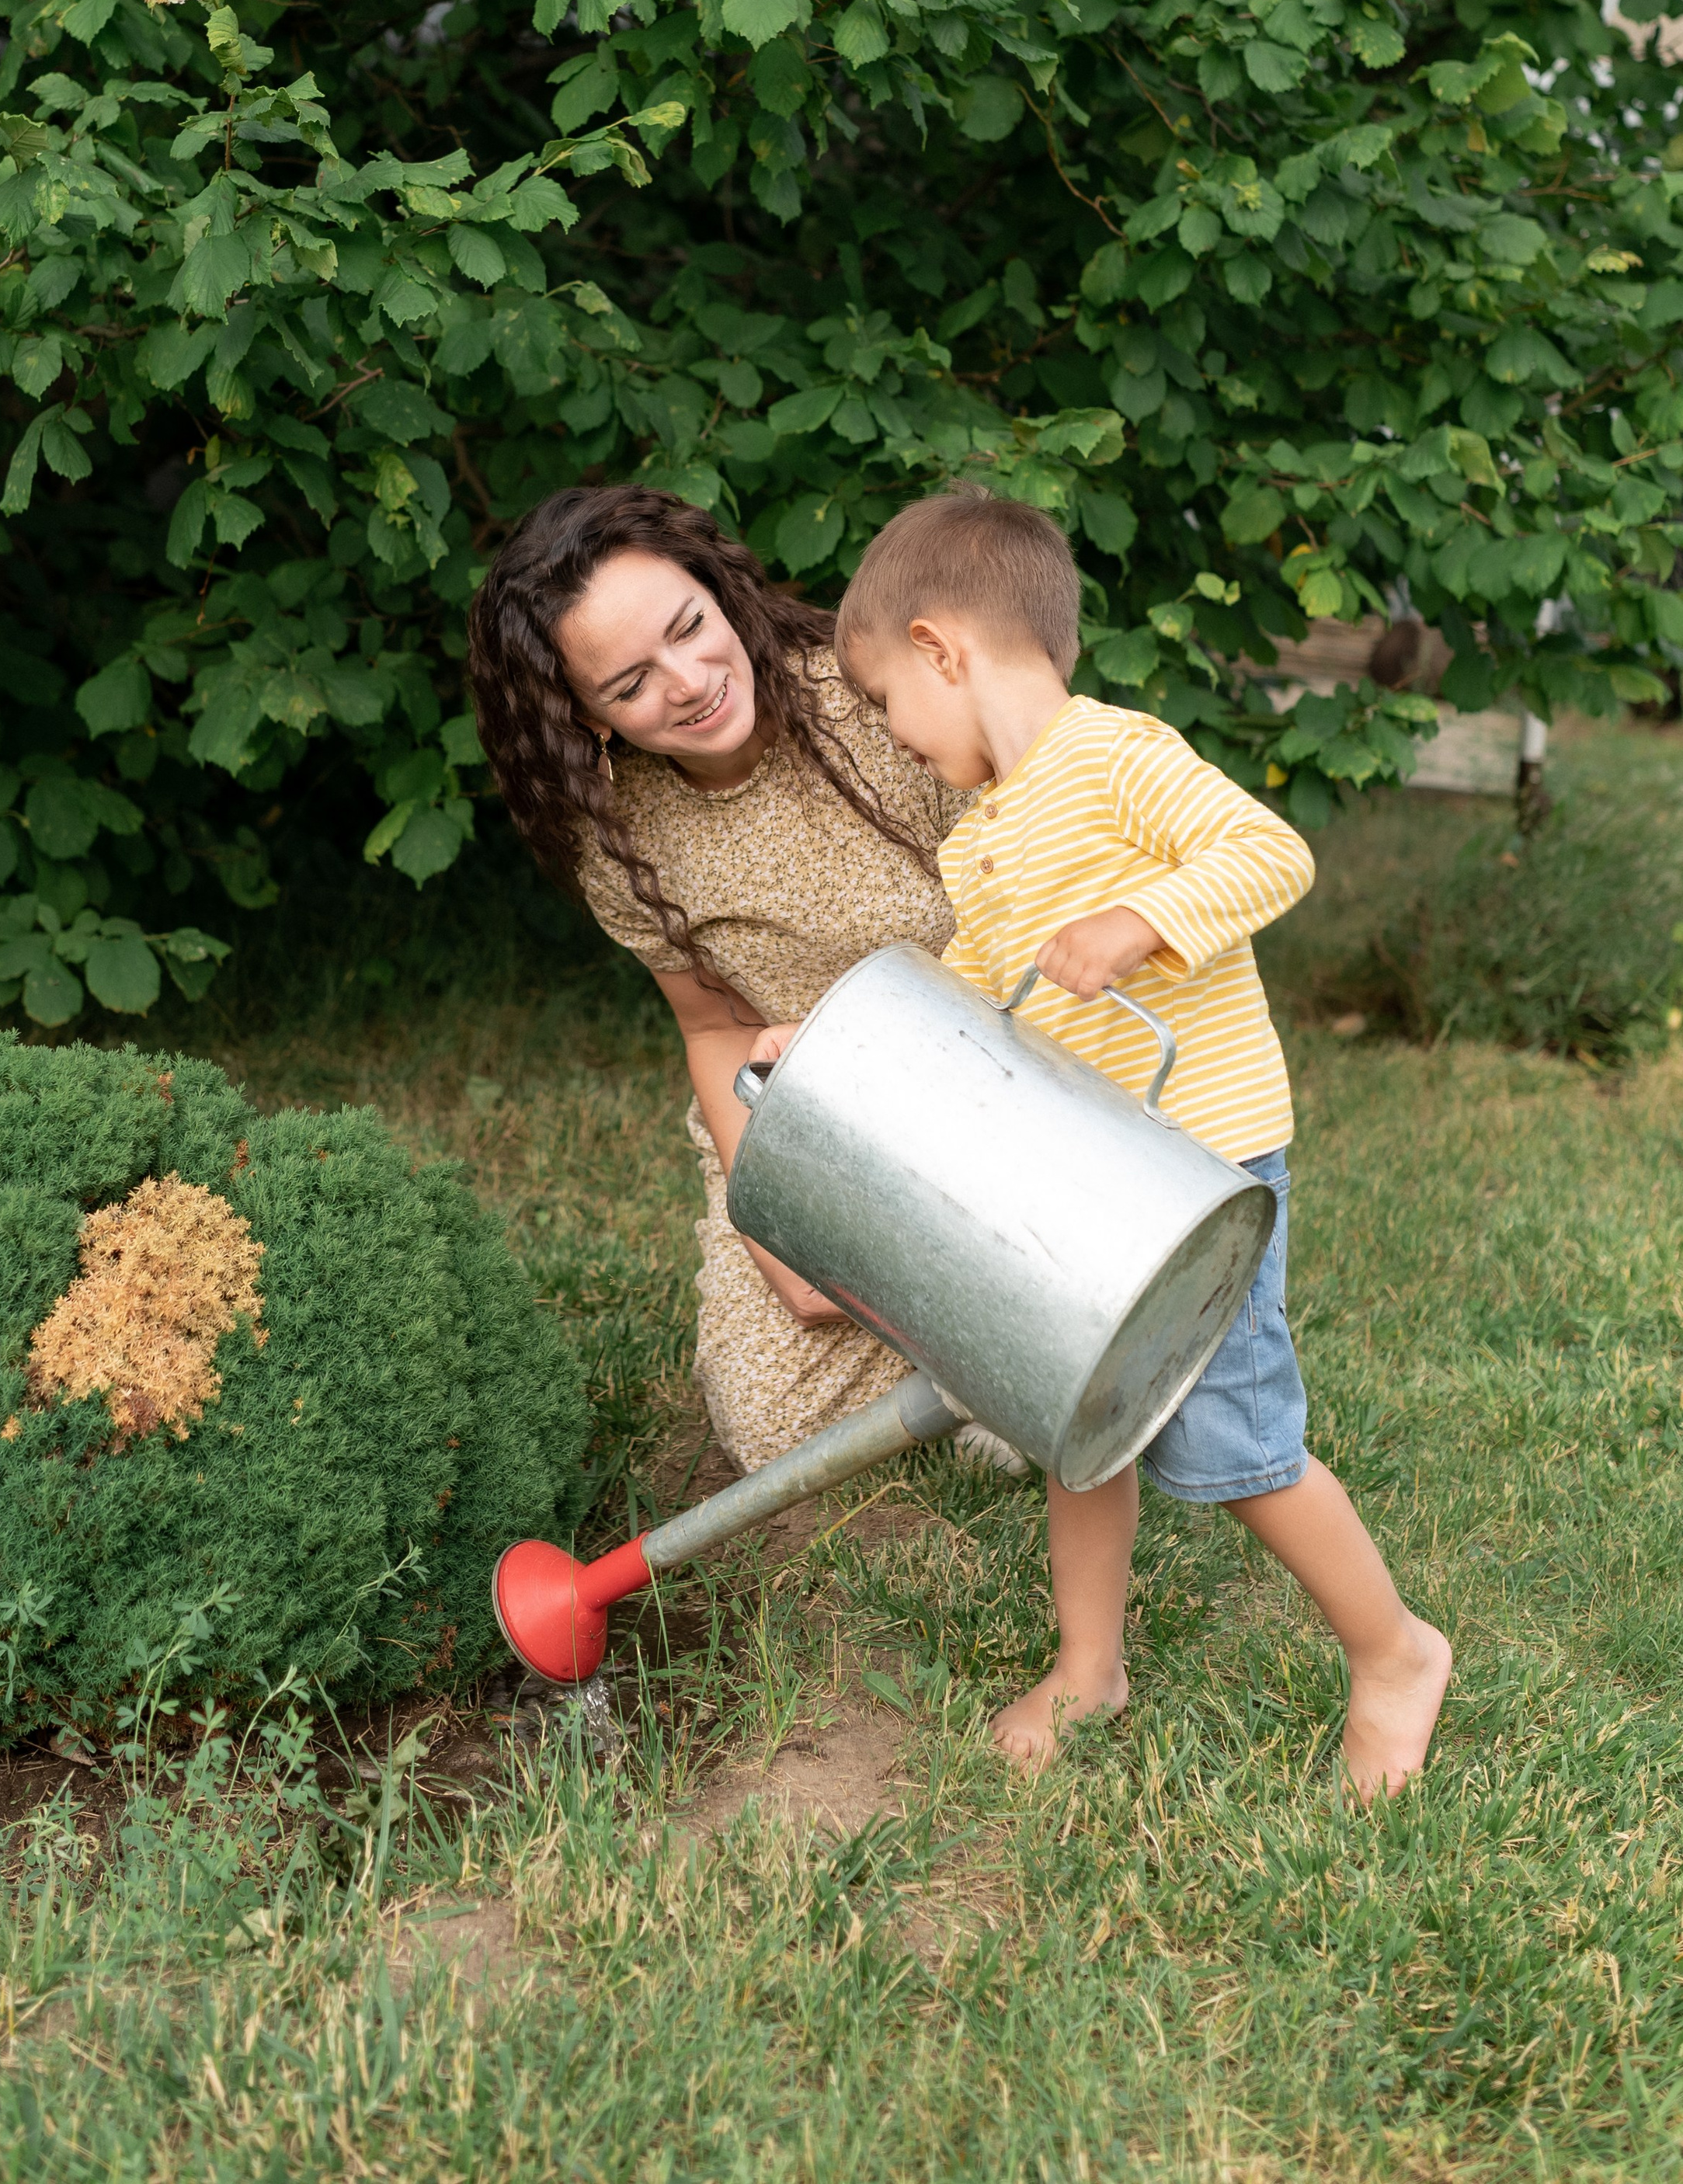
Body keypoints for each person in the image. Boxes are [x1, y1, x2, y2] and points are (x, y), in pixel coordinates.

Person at [753, 488, 1452, 1803]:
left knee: (1234, 1447)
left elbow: (1268, 851)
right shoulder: (988, 835)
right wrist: (839, 1040)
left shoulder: (1118, 755)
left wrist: (1141, 918)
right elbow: (976, 998)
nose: (900, 741)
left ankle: (1397, 1650)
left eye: (893, 702)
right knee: (1074, 1409)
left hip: (1198, 1178)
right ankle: (1090, 1670)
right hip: (1088, 1185)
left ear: (943, 648)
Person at [468, 482, 1019, 1476]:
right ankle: (979, 1352)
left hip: (1004, 1078)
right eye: (630, 684)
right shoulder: (617, 835)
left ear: (723, 591)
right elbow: (715, 1025)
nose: (686, 681)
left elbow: (1029, 935)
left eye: (690, 626)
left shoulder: (879, 700)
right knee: (774, 1431)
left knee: (1028, 1322)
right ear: (585, 719)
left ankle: (999, 1345)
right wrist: (771, 1219)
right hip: (812, 1118)